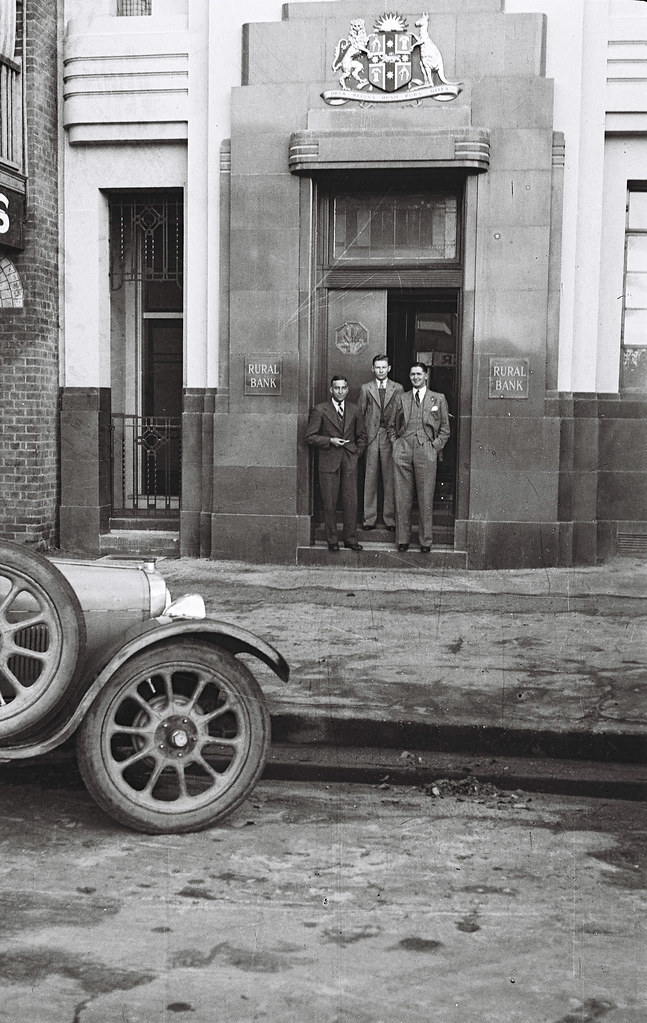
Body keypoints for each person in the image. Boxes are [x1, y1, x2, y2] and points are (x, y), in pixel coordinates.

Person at [390, 362, 450, 552]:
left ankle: (426, 540)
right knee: (402, 496)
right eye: (412, 374)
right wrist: (396, 444)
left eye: (419, 374)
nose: (415, 377)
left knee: (425, 497)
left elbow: (445, 430)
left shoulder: (438, 399)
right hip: (403, 449)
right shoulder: (402, 398)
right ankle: (402, 540)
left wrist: (434, 447)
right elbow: (391, 425)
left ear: (426, 376)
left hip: (426, 450)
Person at [306, 375, 368, 551]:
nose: (340, 391)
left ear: (347, 390)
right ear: (331, 389)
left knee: (351, 502)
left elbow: (362, 436)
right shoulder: (320, 410)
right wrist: (329, 441)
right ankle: (332, 539)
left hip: (349, 461)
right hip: (328, 461)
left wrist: (356, 453)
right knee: (330, 502)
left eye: (343, 388)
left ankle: (350, 539)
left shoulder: (354, 409)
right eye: (336, 388)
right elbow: (310, 437)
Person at [358, 355, 403, 532]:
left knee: (390, 478)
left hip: (389, 436)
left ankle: (390, 518)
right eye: (378, 367)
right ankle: (369, 518)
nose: (381, 370)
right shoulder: (365, 388)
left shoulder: (397, 388)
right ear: (372, 369)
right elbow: (360, 415)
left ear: (389, 368)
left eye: (384, 367)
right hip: (371, 436)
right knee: (370, 478)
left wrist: (397, 437)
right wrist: (362, 437)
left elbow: (401, 414)